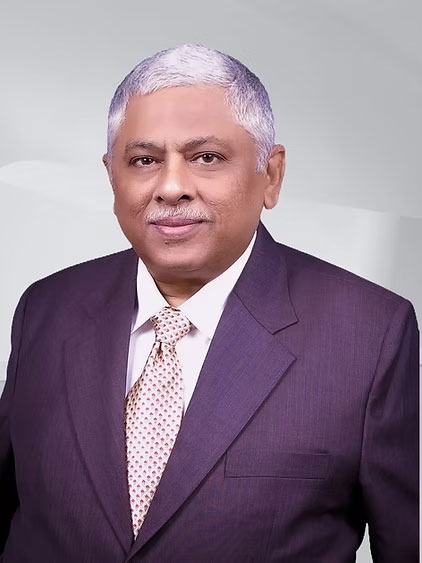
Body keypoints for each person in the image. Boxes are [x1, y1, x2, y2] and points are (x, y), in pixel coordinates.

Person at [0, 44, 418, 562]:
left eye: (207, 158)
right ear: (111, 176)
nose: (171, 187)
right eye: (144, 160)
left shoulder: (371, 335)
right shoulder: (46, 309)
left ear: (271, 174)